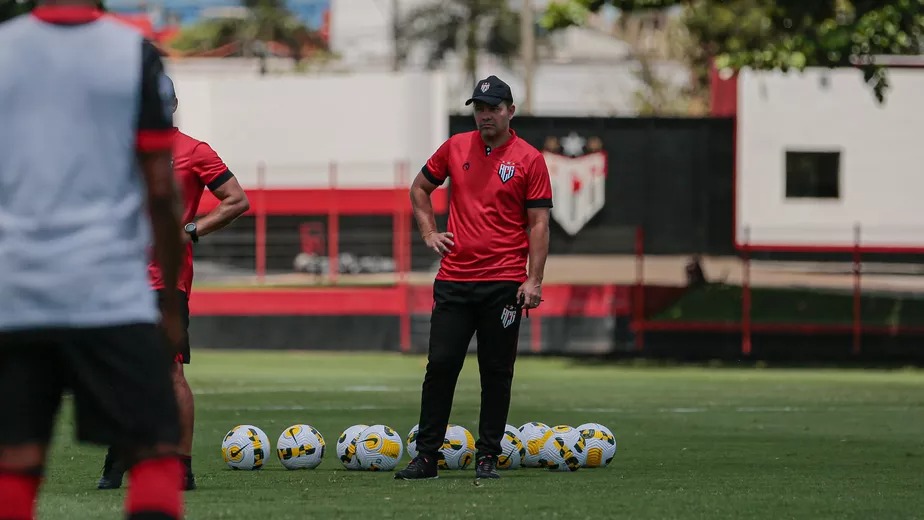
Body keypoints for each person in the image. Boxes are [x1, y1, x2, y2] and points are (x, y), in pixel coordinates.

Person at [0, 2, 186, 519]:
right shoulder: (132, 53)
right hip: (108, 291)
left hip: (14, 292)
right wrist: (169, 301)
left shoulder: (3, 48)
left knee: (14, 461)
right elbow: (159, 187)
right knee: (155, 450)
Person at [395, 75, 553, 480]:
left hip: (503, 284)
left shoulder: (529, 159)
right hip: (454, 280)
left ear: (510, 111)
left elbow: (538, 224)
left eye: (493, 108)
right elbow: (419, 189)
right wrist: (429, 232)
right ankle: (426, 457)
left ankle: (487, 457)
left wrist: (533, 281)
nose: (485, 115)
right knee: (441, 366)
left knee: (496, 372)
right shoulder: (455, 147)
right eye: (479, 108)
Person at [97, 76, 251, 492]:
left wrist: (190, 230)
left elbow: (237, 200)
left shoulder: (193, 151)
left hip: (164, 280)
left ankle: (180, 467)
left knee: (169, 372)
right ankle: (122, 452)